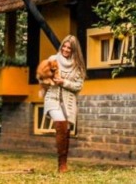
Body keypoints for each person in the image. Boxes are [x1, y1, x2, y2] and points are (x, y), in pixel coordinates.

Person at [41, 35, 85, 173]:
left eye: (69, 48)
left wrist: (63, 82)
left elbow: (78, 86)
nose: (65, 49)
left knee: (65, 131)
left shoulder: (78, 67)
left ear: (74, 50)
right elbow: (42, 77)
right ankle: (62, 164)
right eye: (64, 46)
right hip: (52, 98)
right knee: (60, 124)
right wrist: (50, 79)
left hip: (69, 102)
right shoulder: (52, 60)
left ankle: (63, 162)